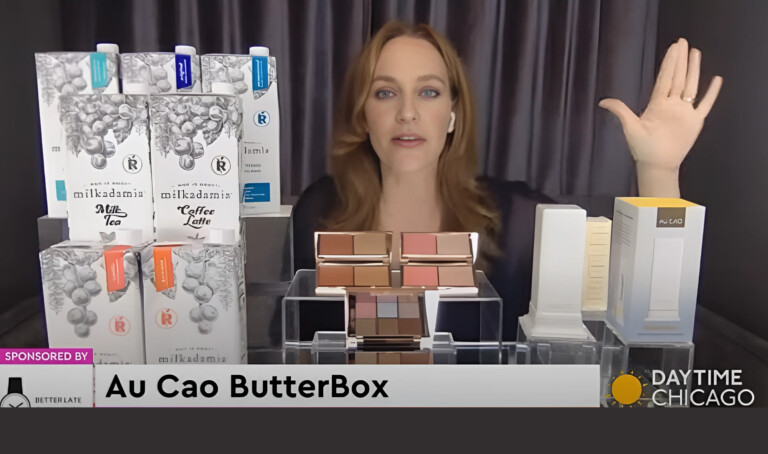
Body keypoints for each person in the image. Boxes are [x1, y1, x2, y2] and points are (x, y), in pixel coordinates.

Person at [291, 21, 723, 342]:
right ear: (363, 114)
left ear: (453, 114)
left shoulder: (517, 219)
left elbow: (646, 306)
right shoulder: (320, 210)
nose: (407, 113)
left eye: (428, 92)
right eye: (385, 92)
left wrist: (658, 171)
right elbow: (290, 350)